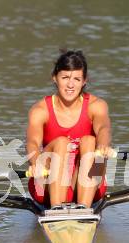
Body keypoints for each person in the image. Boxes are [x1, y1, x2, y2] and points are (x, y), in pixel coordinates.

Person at [26, 50, 112, 209]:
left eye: (77, 79)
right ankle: (56, 207)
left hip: (88, 185)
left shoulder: (96, 105)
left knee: (90, 140)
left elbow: (103, 128)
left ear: (84, 81)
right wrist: (36, 162)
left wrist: (103, 145)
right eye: (65, 77)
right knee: (61, 142)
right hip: (46, 187)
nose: (71, 85)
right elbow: (32, 142)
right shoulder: (40, 110)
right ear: (55, 78)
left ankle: (83, 208)